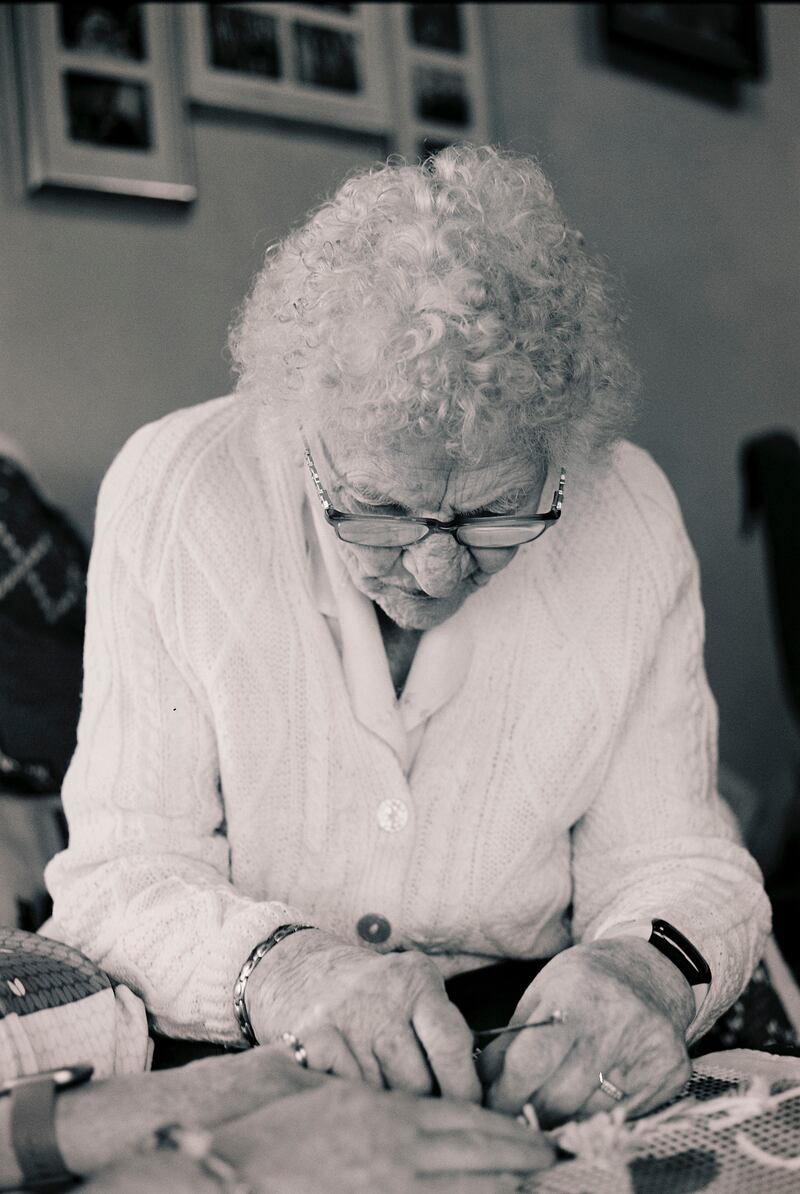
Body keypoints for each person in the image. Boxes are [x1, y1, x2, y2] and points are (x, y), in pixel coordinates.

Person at [44, 145, 770, 1129]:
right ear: (299, 426)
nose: (434, 570)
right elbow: (121, 875)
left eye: (491, 516)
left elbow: (678, 856)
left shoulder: (625, 510)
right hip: (252, 1034)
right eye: (377, 512)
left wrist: (645, 970)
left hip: (532, 1045)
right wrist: (288, 970)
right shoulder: (178, 488)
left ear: (565, 446)